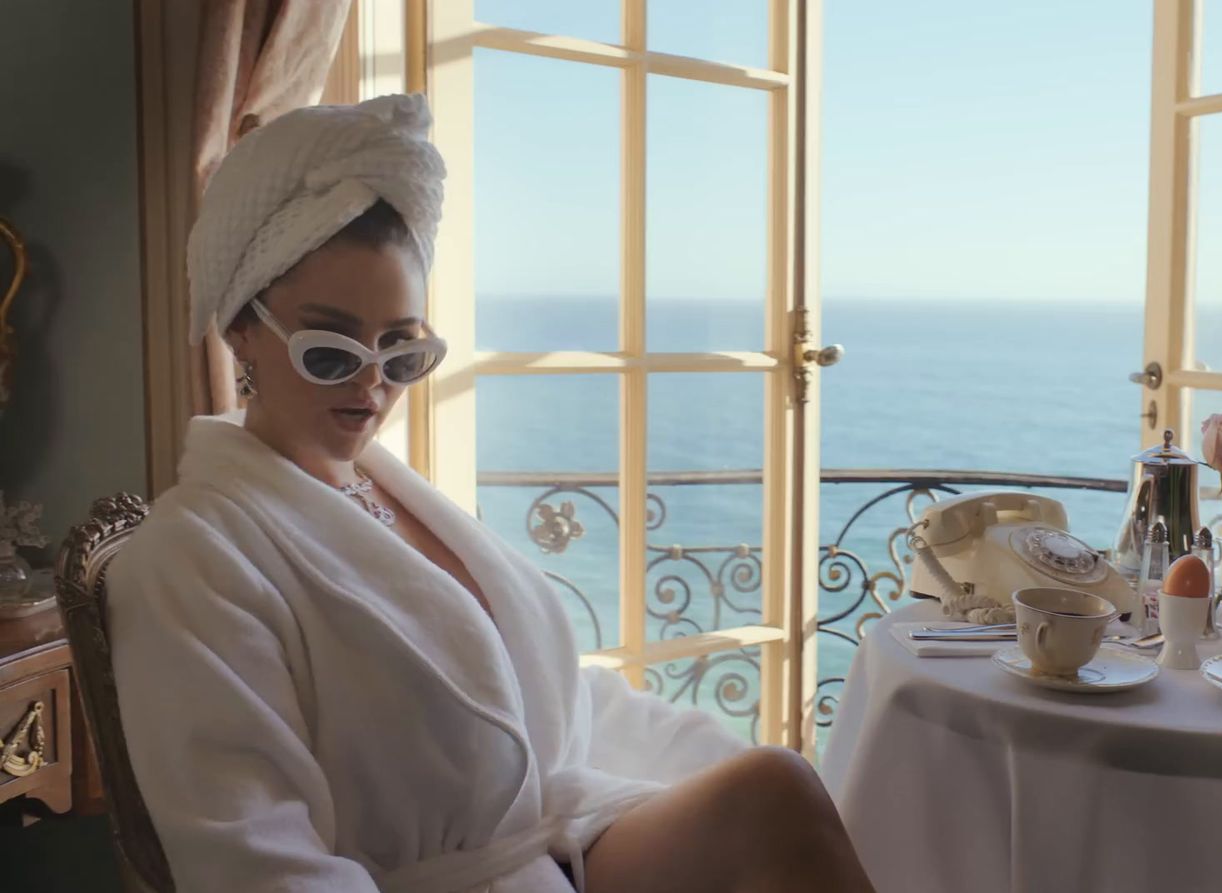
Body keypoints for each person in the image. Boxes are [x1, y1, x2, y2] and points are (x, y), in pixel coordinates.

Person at [109, 94, 877, 893]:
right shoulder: (192, 560)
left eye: (402, 352)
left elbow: (553, 699)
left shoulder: (385, 494)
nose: (373, 387)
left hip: (554, 849)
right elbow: (255, 866)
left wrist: (714, 763)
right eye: (331, 352)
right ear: (241, 328)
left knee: (776, 787)